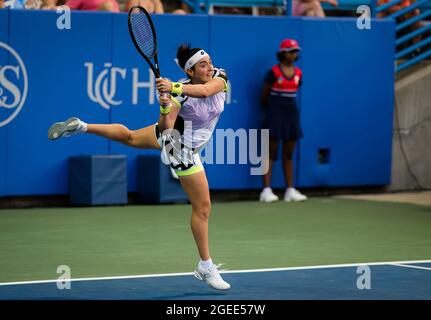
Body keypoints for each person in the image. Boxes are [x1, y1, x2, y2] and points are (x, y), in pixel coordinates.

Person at [47, 44, 230, 291]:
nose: (210, 67)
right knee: (203, 208)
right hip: (180, 146)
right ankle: (205, 266)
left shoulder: (219, 77)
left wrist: (173, 87)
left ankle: (82, 126)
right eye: (203, 64)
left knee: (131, 137)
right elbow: (166, 126)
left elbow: (208, 90)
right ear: (190, 70)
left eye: (209, 61)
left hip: (181, 139)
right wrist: (165, 105)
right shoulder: (179, 96)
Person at [259, 39, 307, 203]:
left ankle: (290, 190)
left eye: (296, 51)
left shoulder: (299, 74)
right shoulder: (273, 73)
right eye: (291, 51)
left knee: (288, 153)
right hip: (274, 115)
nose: (294, 54)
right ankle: (266, 190)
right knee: (270, 153)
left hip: (291, 116)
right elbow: (264, 98)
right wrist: (273, 111)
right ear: (283, 53)